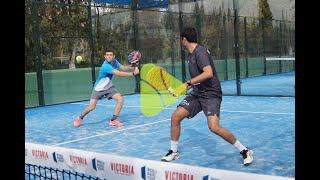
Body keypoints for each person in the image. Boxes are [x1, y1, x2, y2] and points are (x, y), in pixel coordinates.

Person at [161, 27, 253, 166]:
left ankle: (244, 150)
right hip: (198, 93)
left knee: (214, 127)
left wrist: (187, 84)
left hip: (211, 94)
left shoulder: (200, 52)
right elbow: (198, 78)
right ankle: (173, 152)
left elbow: (208, 73)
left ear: (184, 39)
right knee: (175, 116)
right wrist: (181, 88)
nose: (180, 42)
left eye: (180, 39)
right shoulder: (190, 55)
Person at [73, 49, 140, 128]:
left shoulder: (114, 61)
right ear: (105, 56)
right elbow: (118, 73)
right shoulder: (105, 66)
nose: (109, 56)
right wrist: (133, 73)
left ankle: (113, 120)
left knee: (120, 99)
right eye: (107, 55)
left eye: (111, 55)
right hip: (99, 88)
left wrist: (132, 66)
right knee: (92, 106)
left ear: (113, 56)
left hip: (108, 87)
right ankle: (79, 118)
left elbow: (122, 68)